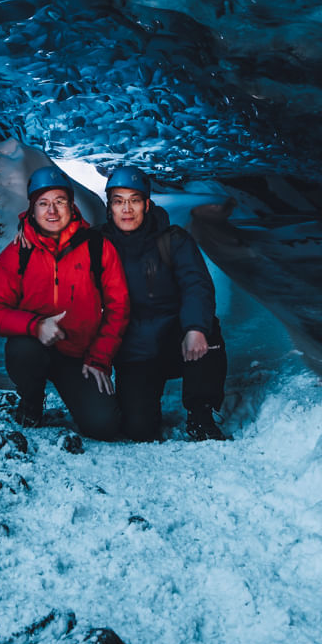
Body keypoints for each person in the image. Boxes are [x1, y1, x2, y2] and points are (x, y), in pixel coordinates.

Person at [0, 165, 131, 439]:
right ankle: (31, 401)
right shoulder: (17, 254)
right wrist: (35, 326)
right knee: (22, 350)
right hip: (35, 347)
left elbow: (118, 308)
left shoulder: (97, 248)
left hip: (79, 355)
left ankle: (78, 393)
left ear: (72, 205)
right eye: (44, 203)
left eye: (59, 202)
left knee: (105, 426)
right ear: (32, 209)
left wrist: (100, 358)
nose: (52, 211)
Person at [99, 165, 229, 441]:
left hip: (173, 339)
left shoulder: (173, 241)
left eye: (134, 200)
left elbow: (197, 285)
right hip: (132, 350)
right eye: (119, 201)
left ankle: (201, 415)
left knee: (208, 331)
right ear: (109, 206)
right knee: (139, 429)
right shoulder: (97, 244)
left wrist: (195, 328)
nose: (127, 208)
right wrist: (25, 229)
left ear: (147, 204)